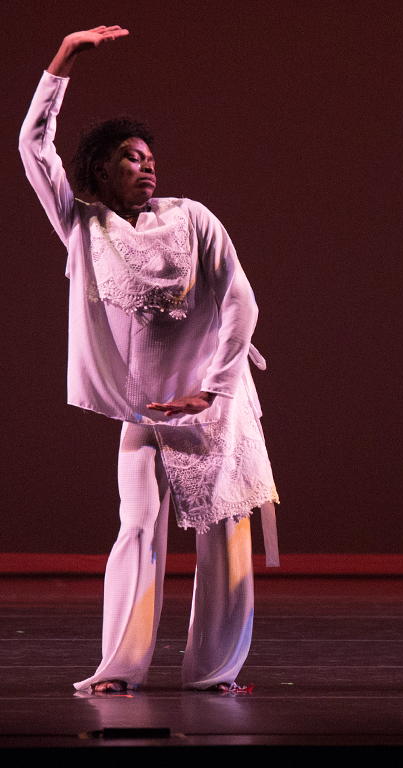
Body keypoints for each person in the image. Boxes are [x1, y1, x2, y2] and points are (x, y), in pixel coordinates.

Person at [19, 27, 279, 693]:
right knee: (135, 526)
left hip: (212, 405)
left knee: (224, 536)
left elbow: (240, 302)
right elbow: (34, 148)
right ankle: (119, 668)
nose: (147, 166)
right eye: (130, 159)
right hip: (147, 412)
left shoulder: (192, 219)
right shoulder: (85, 227)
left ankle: (215, 672)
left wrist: (213, 391)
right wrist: (62, 62)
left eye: (150, 157)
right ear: (102, 171)